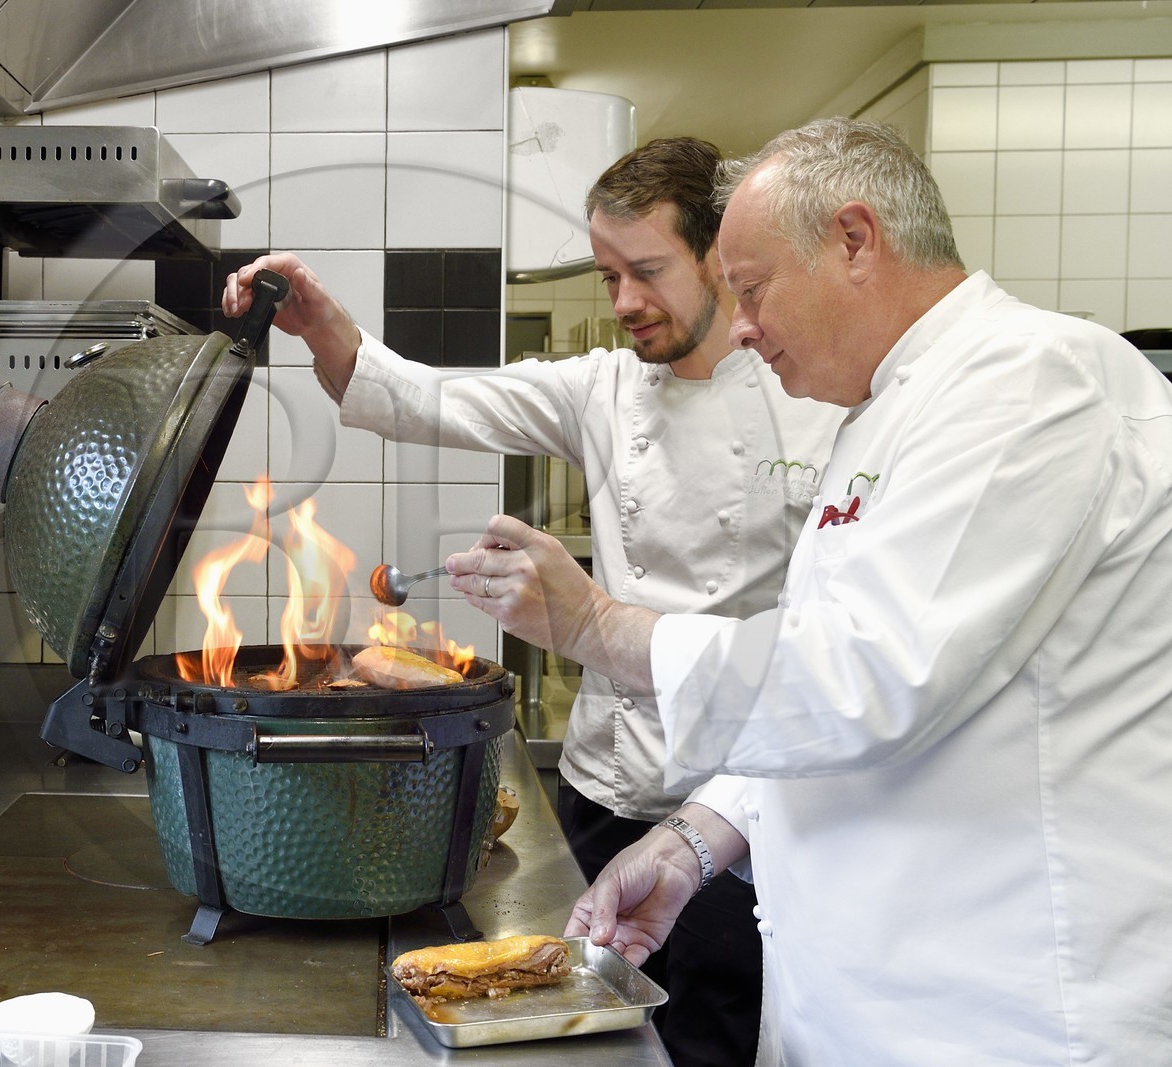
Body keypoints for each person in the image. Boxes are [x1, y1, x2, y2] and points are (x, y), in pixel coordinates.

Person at [447, 117, 1172, 1064]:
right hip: (856, 1004)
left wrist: (596, 625)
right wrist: (695, 843)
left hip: (1002, 1013)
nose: (741, 327)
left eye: (751, 288)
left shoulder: (1034, 383)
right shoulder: (879, 415)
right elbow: (811, 668)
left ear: (856, 240)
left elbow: (867, 679)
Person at [223, 137, 844, 1067]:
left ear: (721, 254)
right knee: (581, 1043)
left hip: (736, 811)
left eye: (647, 271)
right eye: (608, 275)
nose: (625, 301)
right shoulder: (603, 388)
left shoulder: (814, 402)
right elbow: (431, 399)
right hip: (601, 789)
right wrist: (321, 325)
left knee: (708, 1040)